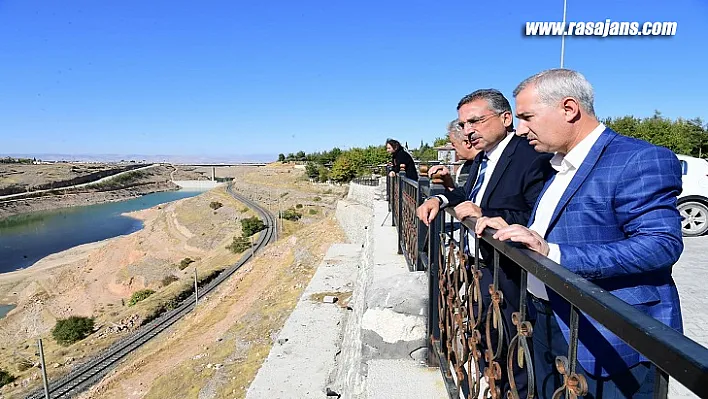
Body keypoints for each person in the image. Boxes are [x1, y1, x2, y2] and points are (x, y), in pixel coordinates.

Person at [475, 69, 684, 398]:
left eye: (528, 116)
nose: (521, 128)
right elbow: (563, 225)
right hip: (547, 321)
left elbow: (660, 245)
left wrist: (555, 255)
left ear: (569, 109)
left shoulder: (638, 159)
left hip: (608, 337)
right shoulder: (554, 163)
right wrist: (520, 231)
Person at [417, 89, 553, 398]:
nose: (468, 131)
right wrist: (440, 198)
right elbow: (469, 198)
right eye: (464, 125)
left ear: (506, 118)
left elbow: (537, 214)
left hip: (510, 271)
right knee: (491, 339)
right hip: (482, 269)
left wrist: (487, 214)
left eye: (475, 121)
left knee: (515, 350)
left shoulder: (530, 156)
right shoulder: (484, 157)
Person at [427, 118, 480, 190]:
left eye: (453, 143)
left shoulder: (488, 166)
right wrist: (448, 181)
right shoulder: (464, 167)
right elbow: (462, 196)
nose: (452, 147)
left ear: (467, 143)